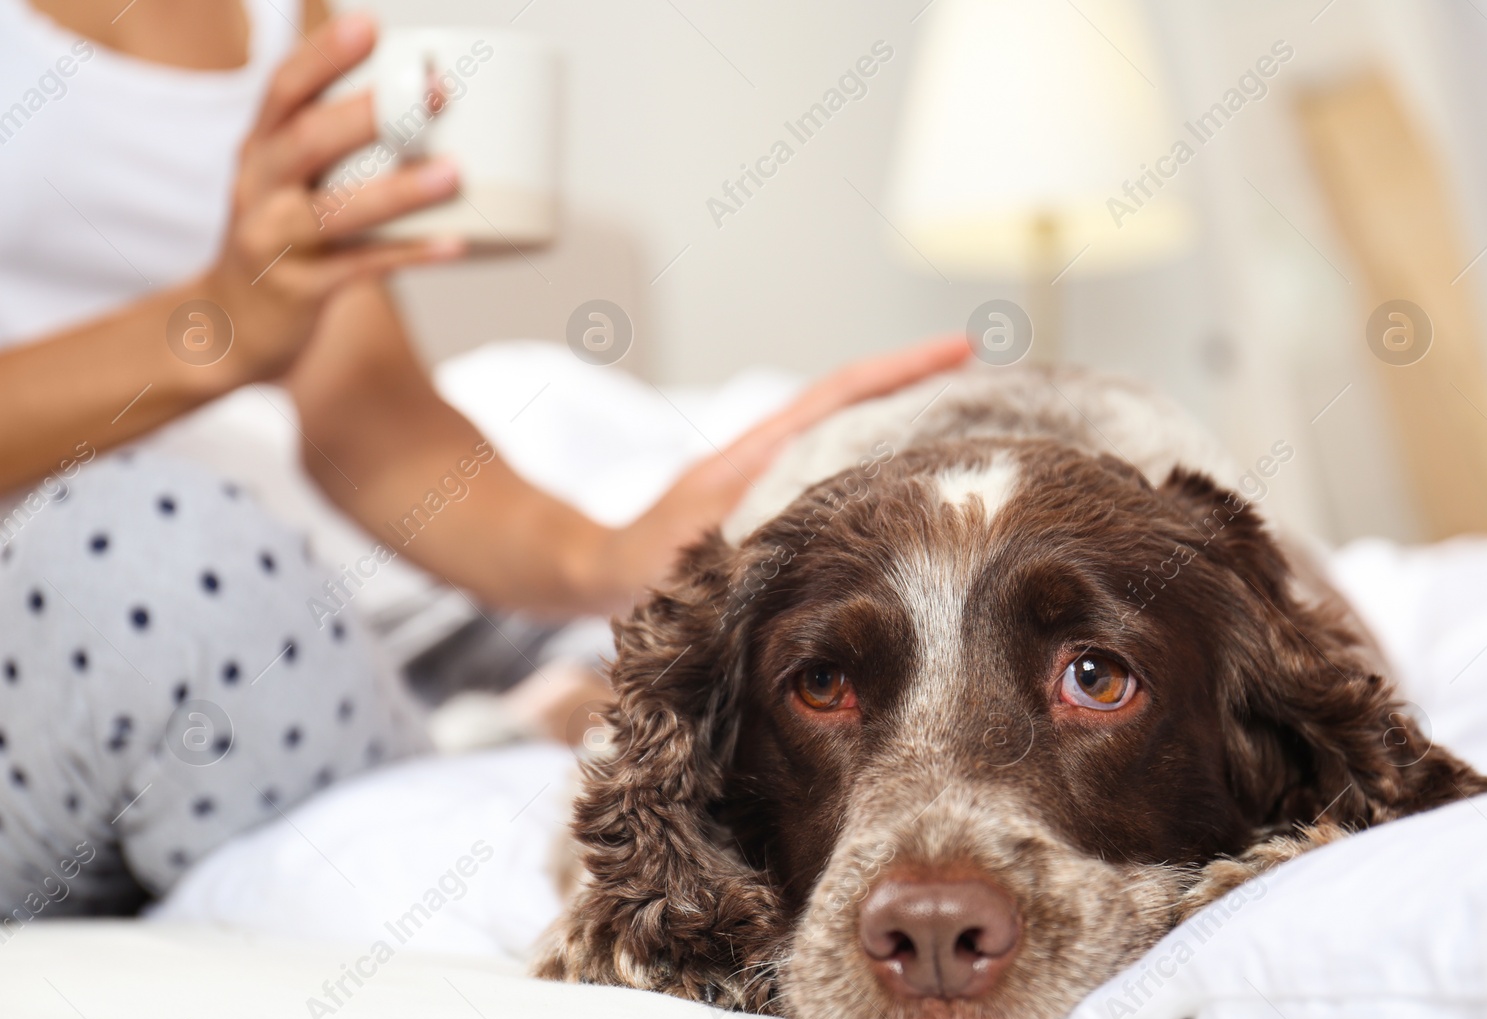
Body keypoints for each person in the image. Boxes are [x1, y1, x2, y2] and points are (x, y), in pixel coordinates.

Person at [0, 0, 967, 918]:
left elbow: (366, 411)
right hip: (93, 598)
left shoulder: (279, 18)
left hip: (262, 602)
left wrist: (615, 553)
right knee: (144, 550)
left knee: (722, 613)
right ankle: (471, 761)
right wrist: (206, 328)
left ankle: (481, 734)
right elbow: (239, 328)